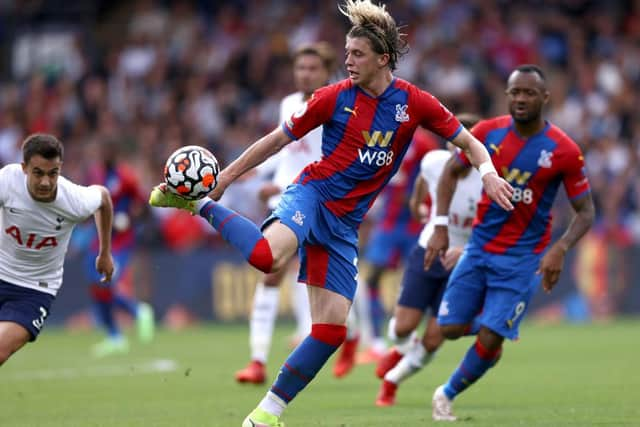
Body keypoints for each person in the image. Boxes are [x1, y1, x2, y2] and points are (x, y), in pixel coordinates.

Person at [149, 1, 513, 425]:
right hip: (313, 194)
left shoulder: (414, 102)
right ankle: (198, 203)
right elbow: (276, 140)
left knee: (331, 330)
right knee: (268, 258)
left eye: (357, 54)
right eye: (346, 53)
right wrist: (226, 179)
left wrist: (487, 172)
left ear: (384, 58)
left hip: (344, 223)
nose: (348, 61)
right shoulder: (334, 97)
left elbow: (470, 141)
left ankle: (267, 414)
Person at [426, 64, 595, 421]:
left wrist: (560, 247)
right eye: (515, 91)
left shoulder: (564, 150)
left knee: (489, 337)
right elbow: (451, 172)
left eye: (529, 92)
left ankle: (447, 392)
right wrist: (440, 226)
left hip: (522, 258)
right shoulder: (486, 133)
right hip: (478, 248)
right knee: (450, 328)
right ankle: (494, 330)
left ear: (544, 98)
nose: (520, 98)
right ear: (507, 94)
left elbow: (586, 211)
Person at [235, 41, 337, 384]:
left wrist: (280, 185)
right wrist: (262, 173)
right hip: (287, 198)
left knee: (325, 280)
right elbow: (289, 150)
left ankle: (348, 341)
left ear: (326, 72)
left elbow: (324, 159)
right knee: (270, 269)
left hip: (319, 199)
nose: (305, 74)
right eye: (301, 68)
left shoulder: (334, 107)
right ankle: (258, 360)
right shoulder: (288, 104)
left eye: (312, 68)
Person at [373, 114, 482, 407]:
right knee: (403, 328)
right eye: (456, 139)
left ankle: (392, 381)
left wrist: (469, 251)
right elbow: (422, 181)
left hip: (463, 263)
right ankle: (398, 350)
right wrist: (417, 204)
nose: (460, 146)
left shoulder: (488, 178)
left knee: (434, 339)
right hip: (428, 250)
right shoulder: (434, 162)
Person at [0, 133, 114, 366]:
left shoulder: (74, 200)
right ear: (24, 168)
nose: (45, 182)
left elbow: (104, 198)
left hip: (34, 290)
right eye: (38, 173)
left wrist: (105, 253)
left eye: (53, 174)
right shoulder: (7, 181)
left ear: (60, 168)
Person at [332, 126, 436, 377]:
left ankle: (406, 342)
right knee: (371, 279)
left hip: (415, 223)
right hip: (388, 223)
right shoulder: (384, 137)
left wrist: (420, 201)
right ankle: (377, 343)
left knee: (416, 281)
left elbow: (438, 178)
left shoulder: (424, 143)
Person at [83, 140, 154, 357]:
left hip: (121, 242)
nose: (104, 155)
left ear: (115, 153)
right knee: (96, 287)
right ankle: (115, 336)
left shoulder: (126, 177)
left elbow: (144, 205)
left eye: (107, 150)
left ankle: (137, 311)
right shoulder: (95, 175)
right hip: (99, 239)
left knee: (105, 282)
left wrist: (128, 218)